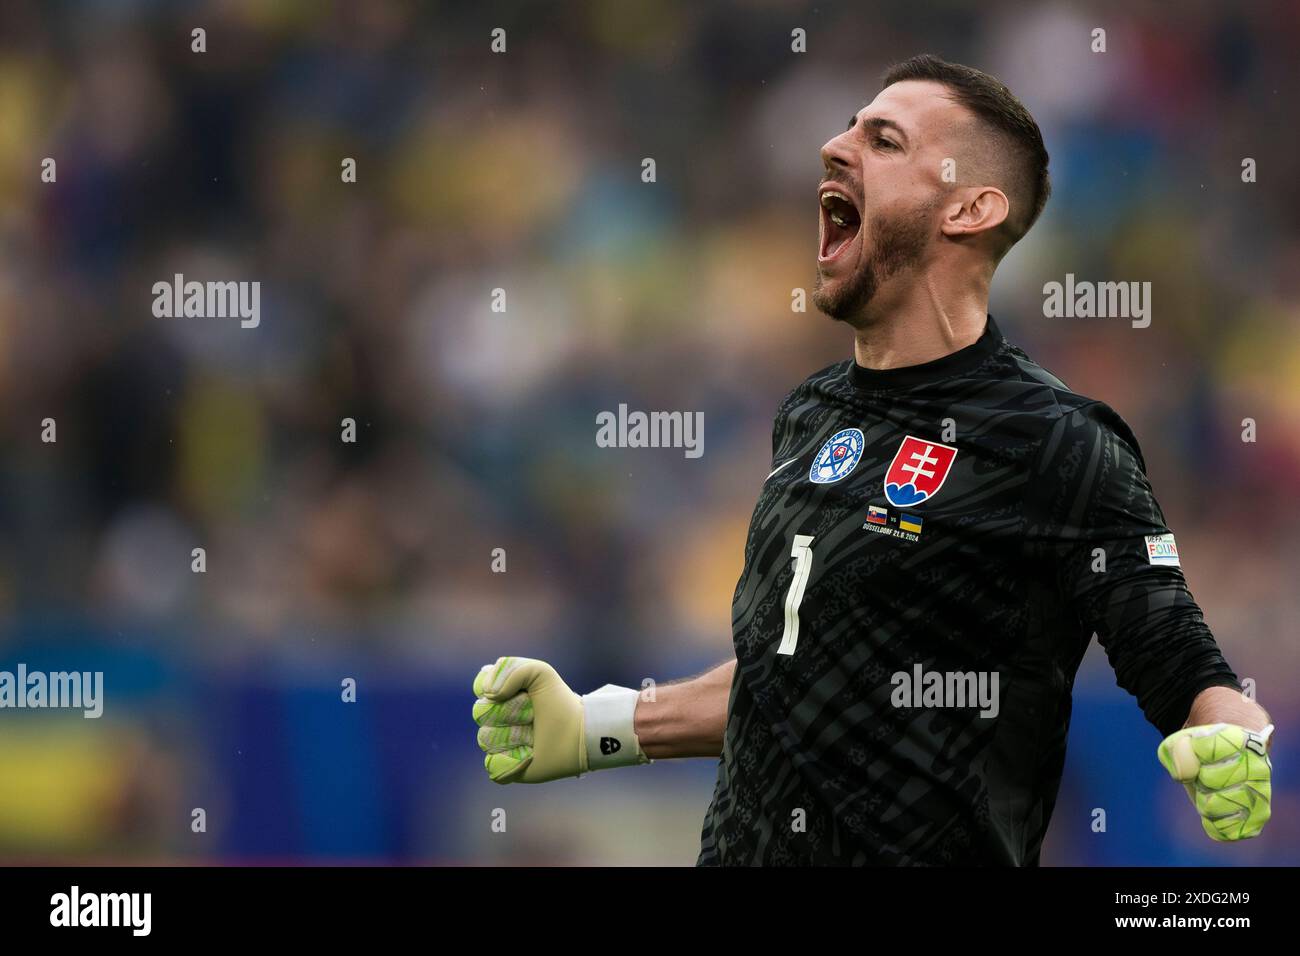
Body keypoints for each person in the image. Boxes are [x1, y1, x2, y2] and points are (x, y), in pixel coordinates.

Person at [470, 54, 1273, 865]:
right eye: (848, 125)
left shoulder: (1055, 441)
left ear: (970, 208)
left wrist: (1233, 738)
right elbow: (796, 677)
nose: (833, 145)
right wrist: (597, 726)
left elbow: (1185, 666)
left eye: (883, 140)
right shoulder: (810, 415)